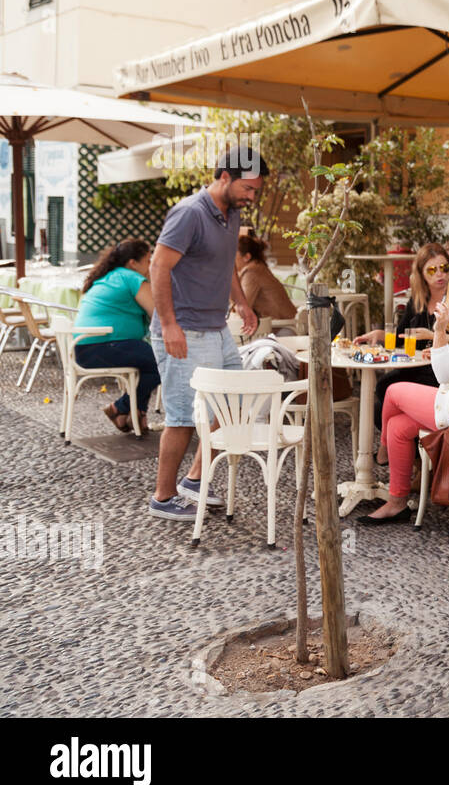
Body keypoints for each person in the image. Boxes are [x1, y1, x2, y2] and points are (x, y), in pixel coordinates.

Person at [149, 148, 265, 521]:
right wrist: (169, 325)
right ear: (225, 177)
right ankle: (163, 498)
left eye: (256, 191)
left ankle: (196, 479)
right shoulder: (190, 213)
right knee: (184, 417)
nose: (251, 196)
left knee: (233, 403)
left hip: (216, 328)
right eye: (248, 188)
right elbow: (158, 266)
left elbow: (226, 263)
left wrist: (243, 303)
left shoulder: (230, 216)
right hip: (184, 329)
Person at [360, 269, 449, 524]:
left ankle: (381, 450)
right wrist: (444, 352)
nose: (446, 299)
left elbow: (443, 375)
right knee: (398, 426)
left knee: (393, 391)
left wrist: (439, 330)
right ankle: (396, 502)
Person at [355, 243, 449, 433]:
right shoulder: (418, 301)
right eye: (432, 269)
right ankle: (408, 448)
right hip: (415, 367)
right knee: (382, 388)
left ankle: (397, 447)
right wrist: (380, 335)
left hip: (440, 371)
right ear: (422, 274)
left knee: (385, 390)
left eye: (444, 268)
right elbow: (400, 336)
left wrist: (434, 335)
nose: (440, 274)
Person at [74, 238, 160, 435]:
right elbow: (157, 314)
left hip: (85, 347)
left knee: (146, 359)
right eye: (147, 260)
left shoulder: (110, 276)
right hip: (102, 345)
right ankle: (119, 408)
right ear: (133, 263)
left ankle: (134, 415)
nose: (150, 265)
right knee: (162, 362)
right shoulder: (131, 277)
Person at [235, 235, 297, 322]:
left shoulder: (251, 272)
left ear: (247, 257)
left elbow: (242, 310)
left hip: (283, 327)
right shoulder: (258, 267)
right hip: (285, 323)